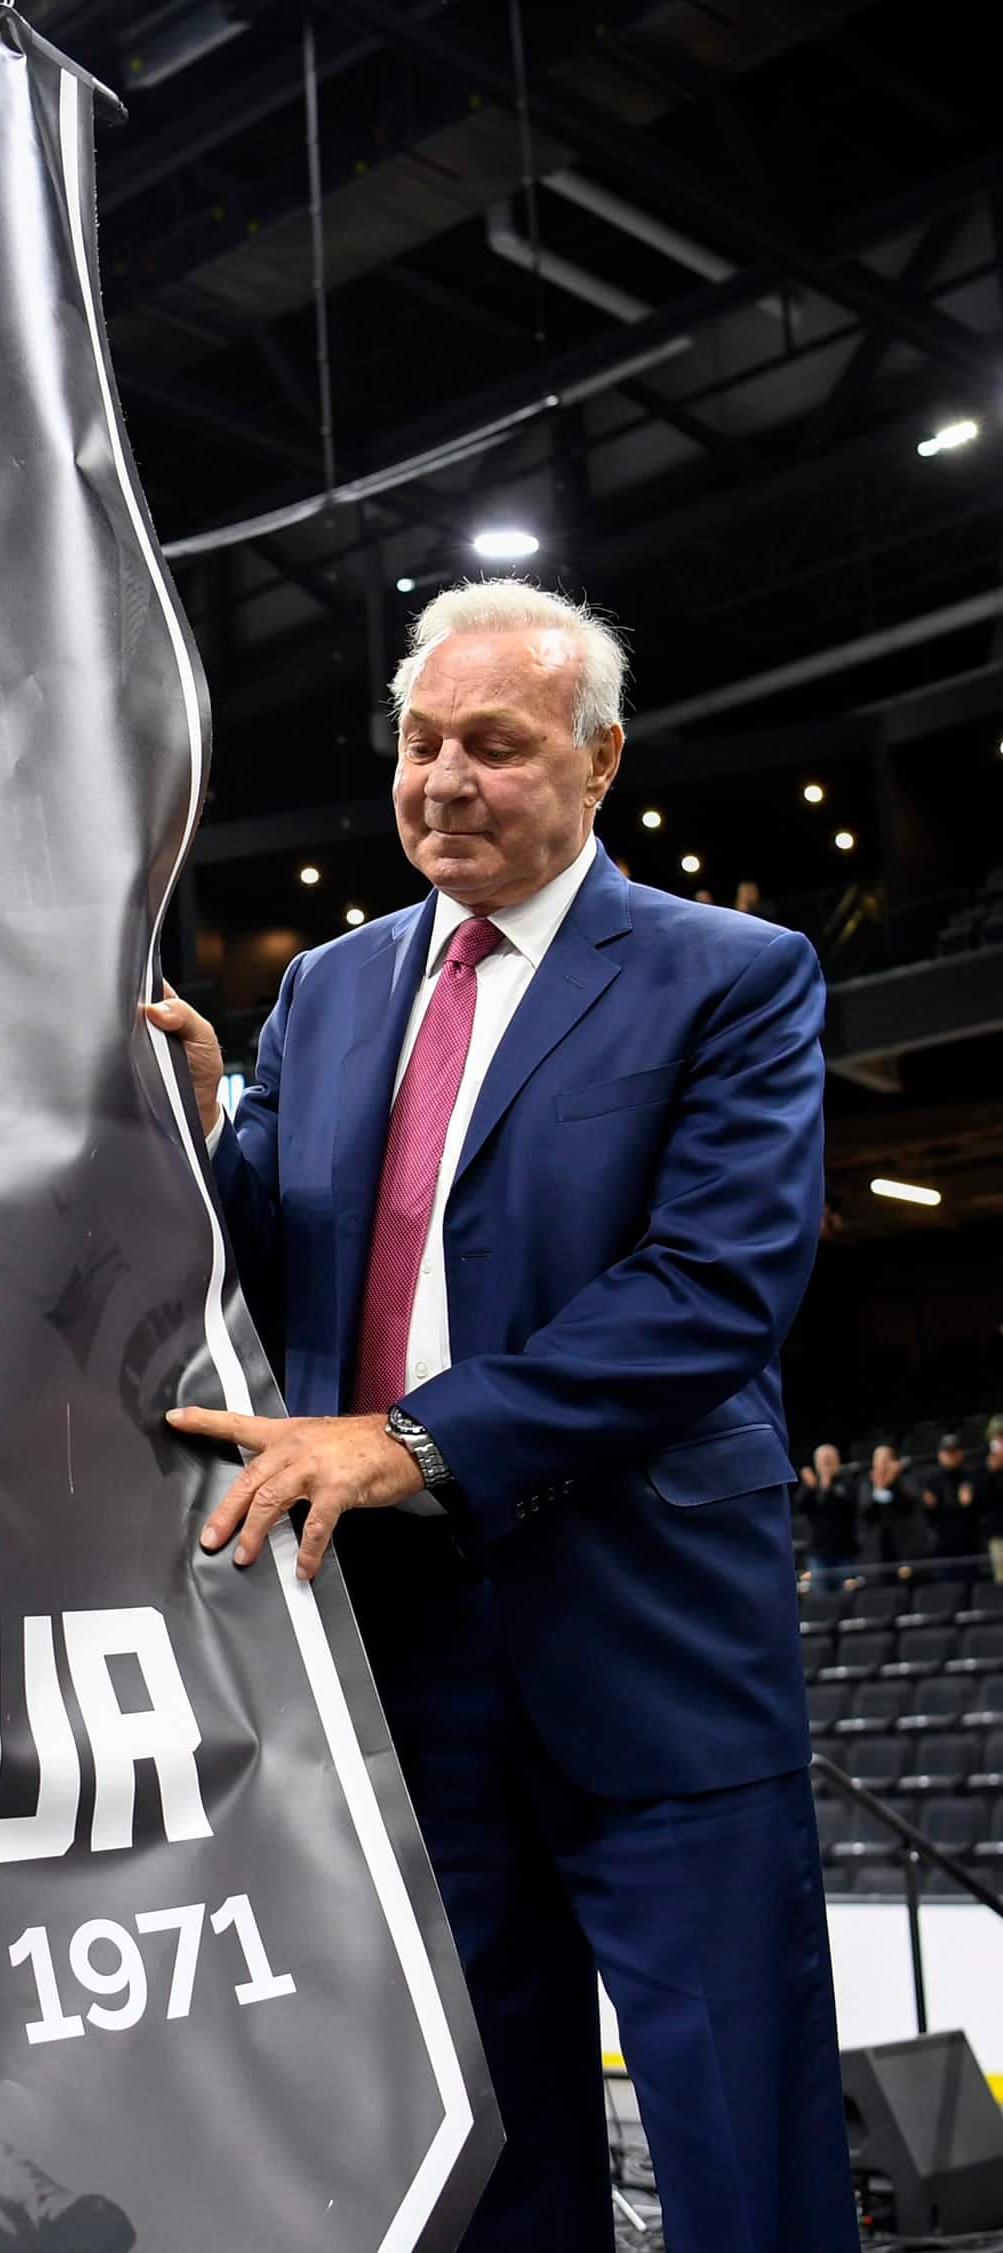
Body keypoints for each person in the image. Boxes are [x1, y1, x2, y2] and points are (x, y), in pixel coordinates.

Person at [147, 579, 854, 2253]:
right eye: (420, 740)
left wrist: (419, 1436)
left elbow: (710, 1285)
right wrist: (189, 1142)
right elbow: (265, 1266)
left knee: (737, 2115)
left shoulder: (733, 975)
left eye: (497, 745)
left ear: (601, 762)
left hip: (647, 1624)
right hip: (393, 1635)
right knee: (481, 2108)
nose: (445, 779)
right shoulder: (324, 990)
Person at [911, 1433, 983, 1567]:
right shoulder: (931, 1480)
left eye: (954, 1451)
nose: (951, 1456)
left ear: (961, 1453)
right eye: (947, 1452)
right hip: (942, 1544)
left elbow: (983, 1508)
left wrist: (971, 1501)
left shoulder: (972, 1476)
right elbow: (924, 1514)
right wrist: (928, 1506)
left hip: (969, 1542)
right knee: (944, 1585)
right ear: (940, 1455)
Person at [796, 1442, 860, 1591]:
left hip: (845, 1551)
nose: (826, 1465)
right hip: (819, 1552)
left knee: (847, 1595)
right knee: (821, 1600)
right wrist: (814, 1488)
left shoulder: (847, 1482)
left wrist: (826, 1486)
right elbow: (800, 1506)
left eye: (829, 1460)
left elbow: (849, 1506)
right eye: (823, 1461)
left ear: (837, 1461)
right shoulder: (811, 1486)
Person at [982, 1420, 1003, 1586]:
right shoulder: (985, 1466)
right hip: (998, 1532)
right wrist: (992, 1472)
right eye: (997, 1438)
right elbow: (981, 1499)